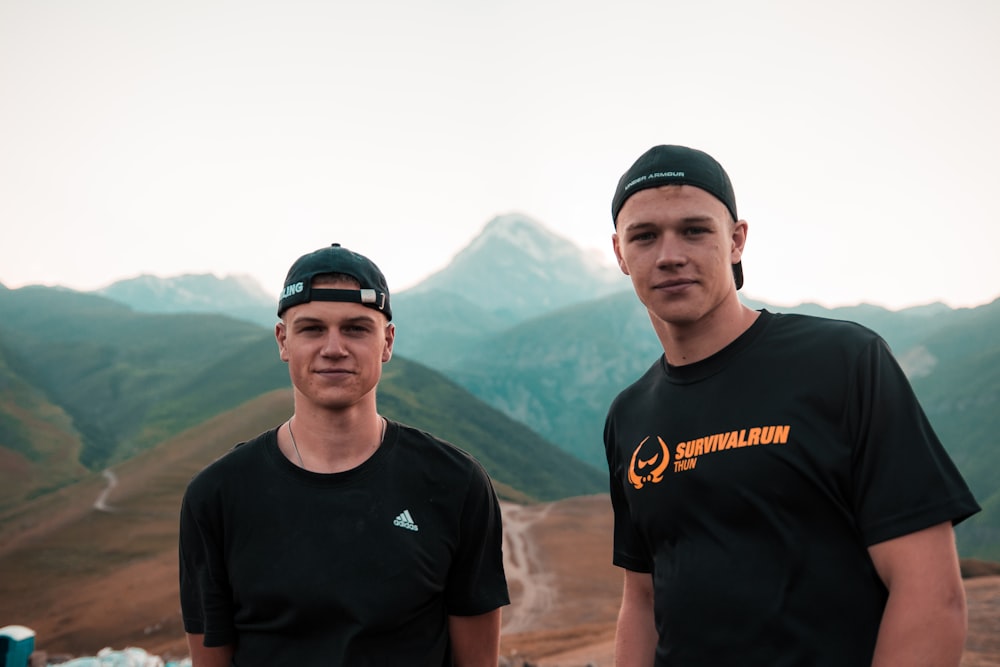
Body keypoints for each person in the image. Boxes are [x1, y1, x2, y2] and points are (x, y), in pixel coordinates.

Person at [603, 145, 980, 666]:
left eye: (695, 230)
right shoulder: (629, 416)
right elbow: (642, 602)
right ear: (621, 255)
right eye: (644, 236)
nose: (670, 254)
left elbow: (930, 592)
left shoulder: (843, 362)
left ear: (736, 241)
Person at [179, 243, 509, 666]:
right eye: (312, 329)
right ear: (283, 341)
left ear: (387, 342)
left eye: (356, 329)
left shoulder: (455, 483)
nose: (333, 348)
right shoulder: (217, 496)